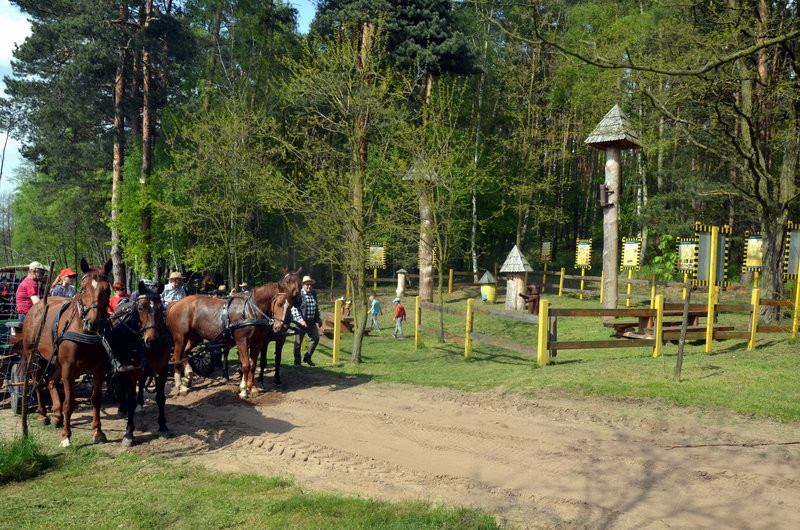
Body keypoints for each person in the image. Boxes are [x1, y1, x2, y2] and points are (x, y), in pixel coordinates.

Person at [291, 275, 321, 366]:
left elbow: (316, 307)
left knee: (316, 338)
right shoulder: (298, 294)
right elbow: (294, 309)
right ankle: (297, 362)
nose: (309, 286)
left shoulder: (313, 294)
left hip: (311, 322)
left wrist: (319, 319)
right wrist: (301, 320)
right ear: (303, 285)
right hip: (300, 322)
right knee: (298, 343)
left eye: (311, 285)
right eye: (307, 284)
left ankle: (307, 357)